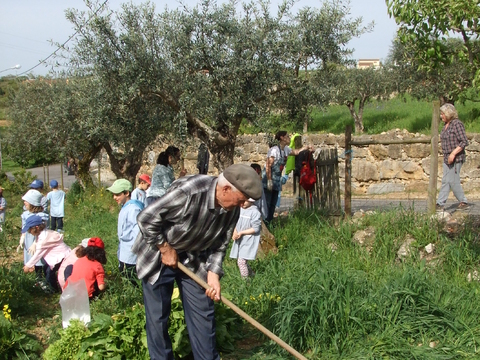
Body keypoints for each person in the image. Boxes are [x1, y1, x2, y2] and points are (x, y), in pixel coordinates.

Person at [132, 163, 262, 360]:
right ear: (226, 189)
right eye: (240, 201)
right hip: (158, 254)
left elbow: (221, 243)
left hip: (194, 258)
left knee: (203, 312)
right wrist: (165, 249)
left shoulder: (232, 208)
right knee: (158, 319)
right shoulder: (189, 193)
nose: (241, 206)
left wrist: (213, 274)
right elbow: (146, 218)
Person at [262, 131, 311, 224]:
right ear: (282, 138)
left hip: (276, 180)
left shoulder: (286, 150)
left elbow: (296, 152)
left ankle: (269, 223)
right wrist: (269, 180)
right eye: (287, 136)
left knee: (273, 204)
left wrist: (307, 148)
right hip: (269, 179)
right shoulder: (274, 150)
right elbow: (268, 165)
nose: (289, 138)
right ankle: (264, 224)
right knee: (267, 203)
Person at [107, 179, 144, 282]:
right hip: (124, 251)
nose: (114, 197)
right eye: (113, 194)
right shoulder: (125, 207)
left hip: (131, 253)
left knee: (131, 279)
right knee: (125, 277)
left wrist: (134, 250)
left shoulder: (133, 209)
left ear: (127, 193)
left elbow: (138, 232)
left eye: (118, 194)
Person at [22, 215, 71, 292]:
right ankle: (51, 285)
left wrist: (28, 265)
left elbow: (38, 254)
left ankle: (54, 290)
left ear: (36, 228)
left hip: (62, 256)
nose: (29, 232)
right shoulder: (43, 233)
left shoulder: (44, 239)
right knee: (46, 268)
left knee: (49, 272)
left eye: (30, 230)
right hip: (58, 256)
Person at [436, 103, 469, 210]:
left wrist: (453, 153)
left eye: (443, 114)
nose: (441, 116)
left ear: (449, 113)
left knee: (452, 181)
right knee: (446, 180)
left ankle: (463, 201)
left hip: (456, 158)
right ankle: (440, 203)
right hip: (446, 158)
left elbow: (464, 141)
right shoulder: (446, 126)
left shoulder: (457, 124)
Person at [18, 190, 50, 280]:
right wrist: (22, 237)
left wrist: (35, 243)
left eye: (26, 201)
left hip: (38, 241)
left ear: (32, 202)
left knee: (40, 258)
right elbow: (24, 227)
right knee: (32, 257)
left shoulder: (41, 216)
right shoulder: (25, 214)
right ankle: (38, 278)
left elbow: (43, 230)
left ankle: (46, 279)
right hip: (29, 240)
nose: (24, 202)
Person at [229, 198, 262, 278]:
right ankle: (251, 275)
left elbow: (256, 228)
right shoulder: (240, 209)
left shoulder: (254, 212)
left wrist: (242, 232)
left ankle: (245, 281)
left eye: (245, 201)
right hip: (240, 239)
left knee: (241, 261)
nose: (243, 203)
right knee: (242, 261)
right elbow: (235, 221)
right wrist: (235, 231)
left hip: (249, 239)